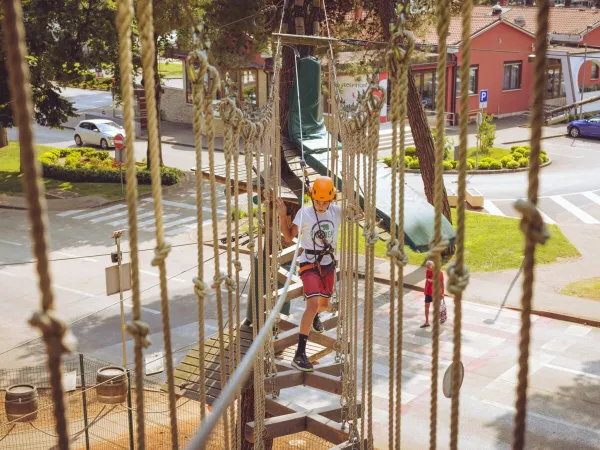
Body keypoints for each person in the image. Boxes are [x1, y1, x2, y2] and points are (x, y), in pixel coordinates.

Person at [276, 176, 343, 372]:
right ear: (312, 197)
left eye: (325, 202)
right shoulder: (304, 214)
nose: (321, 206)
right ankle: (299, 354)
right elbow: (288, 237)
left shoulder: (336, 212)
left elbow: (358, 212)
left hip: (328, 263)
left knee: (323, 305)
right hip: (309, 263)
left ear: (331, 200)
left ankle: (315, 317)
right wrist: (282, 216)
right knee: (312, 304)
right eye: (317, 201)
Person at [421, 260, 444, 329]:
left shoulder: (439, 273)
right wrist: (425, 290)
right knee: (426, 307)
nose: (427, 269)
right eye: (427, 267)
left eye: (429, 267)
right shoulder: (427, 271)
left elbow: (442, 283)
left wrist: (442, 293)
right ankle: (427, 322)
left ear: (432, 266)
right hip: (428, 292)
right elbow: (427, 281)